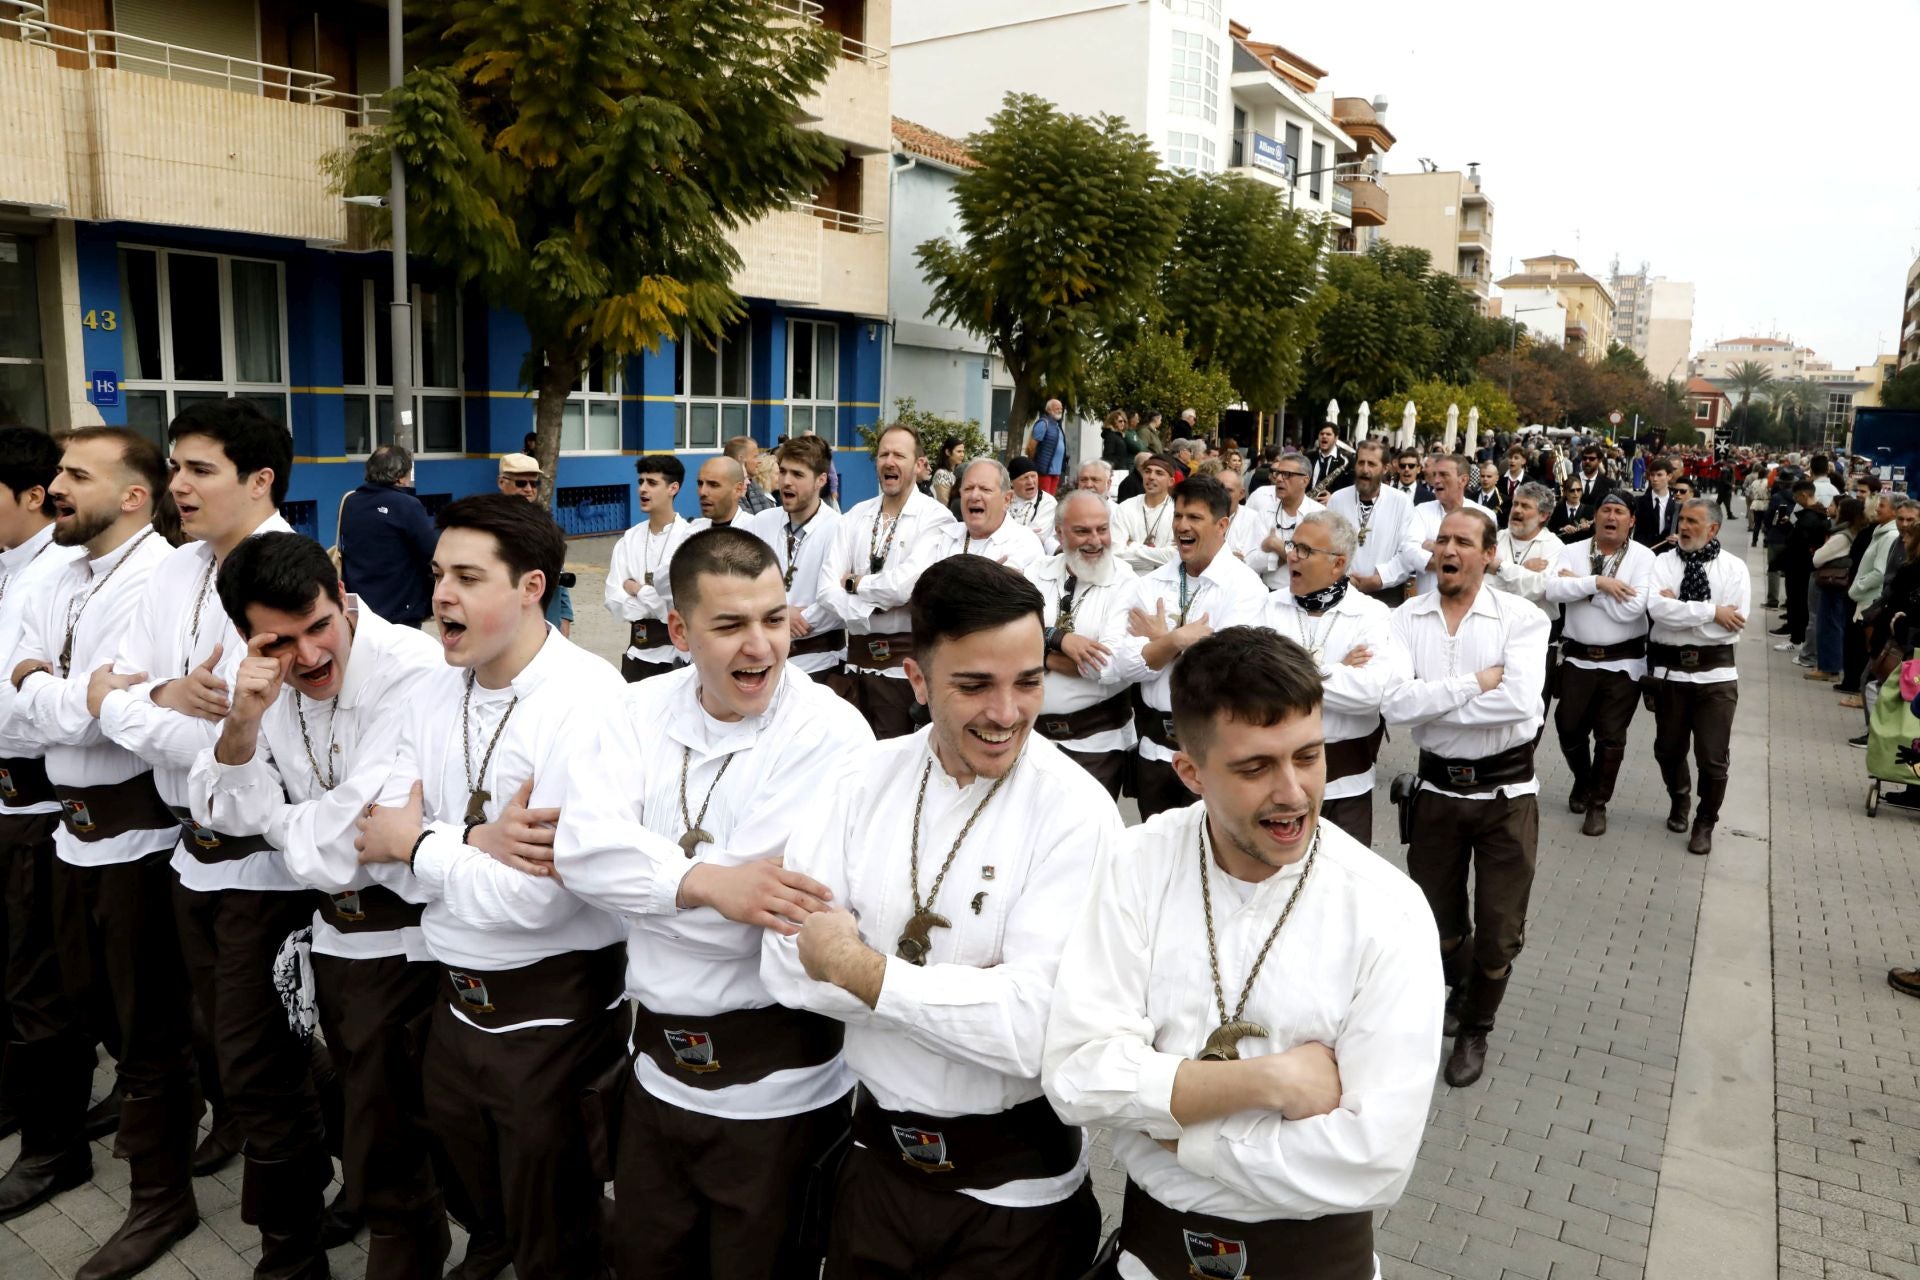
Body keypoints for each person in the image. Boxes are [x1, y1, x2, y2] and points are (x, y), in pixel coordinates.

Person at [760, 555, 1119, 1280]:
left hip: (1016, 1198)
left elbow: (1032, 1031)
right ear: (917, 681)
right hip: (874, 1171)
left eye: (1028, 681)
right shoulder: (860, 780)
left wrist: (860, 965)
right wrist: (969, 994)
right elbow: (783, 967)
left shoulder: (1077, 814)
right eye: (975, 684)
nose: (1008, 712)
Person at [1042, 627, 1440, 1280]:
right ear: (1190, 772)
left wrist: (1178, 1130)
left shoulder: (1385, 910)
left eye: (1308, 755)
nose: (1293, 792)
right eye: (1255, 767)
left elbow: (1372, 1159)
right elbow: (1077, 1075)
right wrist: (1269, 1083)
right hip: (1149, 1262)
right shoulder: (1137, 863)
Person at [546, 527, 873, 1280]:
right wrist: (707, 885)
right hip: (655, 1075)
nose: (760, 646)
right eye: (729, 626)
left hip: (779, 1094)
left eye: (773, 617)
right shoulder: (633, 712)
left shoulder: (832, 733)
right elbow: (581, 851)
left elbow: (783, 911)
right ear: (680, 631)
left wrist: (648, 888)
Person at [93, 401, 344, 1279]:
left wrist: (166, 709)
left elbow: (248, 744)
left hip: (266, 863)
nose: (177, 485)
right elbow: (113, 704)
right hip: (184, 849)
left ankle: (292, 1252)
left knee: (257, 1064)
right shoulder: (173, 571)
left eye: (198, 468)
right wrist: (165, 700)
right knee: (237, 1048)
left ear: (260, 479)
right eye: (175, 467)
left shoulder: (296, 575)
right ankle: (365, 1158)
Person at [354, 494, 629, 1280]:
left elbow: (541, 898)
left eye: (468, 577)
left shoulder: (588, 703)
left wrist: (422, 844)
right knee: (480, 1198)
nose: (441, 594)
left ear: (531, 586)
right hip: (450, 1002)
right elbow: (372, 837)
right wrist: (470, 841)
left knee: (559, 1228)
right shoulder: (436, 687)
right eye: (439, 573)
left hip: (552, 1019)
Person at [189, 532, 456, 1277]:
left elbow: (346, 843)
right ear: (246, 636)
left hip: (412, 938)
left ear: (342, 597)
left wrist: (279, 821)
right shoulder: (262, 682)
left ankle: (421, 1236)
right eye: (280, 642)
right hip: (332, 935)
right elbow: (214, 805)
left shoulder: (412, 670)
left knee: (399, 1123)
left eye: (319, 627)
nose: (307, 657)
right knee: (370, 1112)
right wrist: (243, 723)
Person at [9, 428, 191, 1280]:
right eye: (55, 474)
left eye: (75, 476)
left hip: (140, 837)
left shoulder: (155, 577)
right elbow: (25, 687)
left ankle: (161, 1198)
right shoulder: (67, 572)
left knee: (147, 1024)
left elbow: (105, 716)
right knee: (100, 1014)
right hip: (74, 834)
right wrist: (63, 688)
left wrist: (51, 686)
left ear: (132, 495)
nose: (55, 489)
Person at [1382, 507, 1550, 1089]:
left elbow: (1521, 704)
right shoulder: (1407, 618)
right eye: (1442, 539)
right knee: (1438, 923)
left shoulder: (1521, 618)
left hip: (1507, 795)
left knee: (1500, 930)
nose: (1447, 549)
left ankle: (1476, 1027)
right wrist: (1478, 683)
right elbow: (1396, 707)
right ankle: (1457, 985)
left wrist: (1435, 699)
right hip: (1436, 794)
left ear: (1488, 555)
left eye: (1462, 541)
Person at [0, 427, 87, 1222]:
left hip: (41, 805)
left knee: (40, 985)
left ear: (31, 497)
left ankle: (55, 1147)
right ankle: (24, 1103)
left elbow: (32, 713)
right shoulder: (11, 570)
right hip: (8, 801)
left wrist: (29, 693)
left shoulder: (58, 574)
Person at [1105, 476, 1269, 820]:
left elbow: (1225, 673)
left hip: (1213, 752)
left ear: (1222, 525)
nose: (1182, 526)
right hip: (1155, 750)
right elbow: (1123, 664)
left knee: (1208, 857)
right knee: (1157, 857)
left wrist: (1159, 641)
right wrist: (1178, 639)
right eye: (1178, 516)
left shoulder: (1246, 588)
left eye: (1194, 517)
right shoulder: (1152, 583)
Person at [1259, 511, 1407, 844]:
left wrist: (1286, 669)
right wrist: (1336, 668)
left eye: (1306, 550)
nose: (1292, 556)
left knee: (1342, 890)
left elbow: (1372, 691)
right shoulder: (1267, 606)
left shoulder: (1372, 615)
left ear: (1338, 564)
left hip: (1346, 785)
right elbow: (1248, 681)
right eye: (1293, 545)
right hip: (1274, 783)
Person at [816, 424, 958, 738]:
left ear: (919, 464)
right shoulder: (855, 516)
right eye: (883, 454)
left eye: (899, 455)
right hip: (853, 667)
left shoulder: (936, 518)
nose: (889, 461)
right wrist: (870, 611)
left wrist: (854, 585)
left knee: (894, 767)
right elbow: (826, 590)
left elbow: (906, 586)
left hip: (901, 672)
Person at [1543, 492, 1654, 837]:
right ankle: (1584, 779)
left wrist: (1586, 591)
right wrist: (1600, 584)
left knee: (1610, 737)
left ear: (1631, 520)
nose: (1611, 516)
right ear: (1595, 518)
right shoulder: (1573, 550)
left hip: (1624, 663)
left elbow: (1633, 609)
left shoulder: (1643, 557)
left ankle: (1597, 804)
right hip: (1578, 658)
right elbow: (1552, 589)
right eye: (1605, 510)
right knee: (1568, 728)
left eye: (1619, 511)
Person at [1647, 498, 1749, 855]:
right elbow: (1656, 611)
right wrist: (1711, 611)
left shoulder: (1734, 568)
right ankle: (1679, 799)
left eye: (1693, 521)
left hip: (1716, 676)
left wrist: (1680, 610)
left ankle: (1705, 821)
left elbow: (1732, 627)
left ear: (1713, 529)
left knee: (1712, 757)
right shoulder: (1662, 563)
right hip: (1671, 674)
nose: (1684, 527)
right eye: (1682, 519)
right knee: (1668, 749)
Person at [1025, 490, 1138, 797]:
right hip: (1032, 742)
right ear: (1059, 533)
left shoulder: (1125, 581)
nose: (1095, 540)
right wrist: (1059, 639)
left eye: (1102, 529)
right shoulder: (1036, 573)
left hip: (1096, 745)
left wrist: (1042, 657)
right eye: (1082, 531)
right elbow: (1006, 637)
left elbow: (1107, 665)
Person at [747, 434, 847, 681]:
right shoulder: (762, 523)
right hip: (766, 662)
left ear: (820, 480)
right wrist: (781, 613)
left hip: (820, 663)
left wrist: (781, 619)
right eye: (783, 472)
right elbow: (746, 585)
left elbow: (837, 601)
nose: (786, 482)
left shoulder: (839, 529)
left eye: (798, 475)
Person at [607, 455, 694, 683]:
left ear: (672, 488)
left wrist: (638, 590)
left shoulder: (689, 538)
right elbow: (614, 600)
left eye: (652, 483)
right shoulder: (629, 539)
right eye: (641, 482)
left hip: (681, 657)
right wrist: (659, 605)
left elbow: (683, 604)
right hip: (639, 654)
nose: (642, 489)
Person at [338, 444, 436, 627]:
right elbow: (431, 552)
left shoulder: (350, 502)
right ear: (400, 476)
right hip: (400, 611)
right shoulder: (407, 505)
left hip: (361, 610)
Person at [918, 458, 1045, 575]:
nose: (974, 496)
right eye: (968, 488)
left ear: (1007, 499)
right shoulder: (943, 538)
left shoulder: (1025, 544)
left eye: (985, 489)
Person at [1329, 441, 1418, 607]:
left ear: (1385, 468)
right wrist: (1344, 577)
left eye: (1371, 464)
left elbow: (1407, 552)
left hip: (1386, 594)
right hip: (1342, 590)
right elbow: (1328, 544)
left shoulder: (1401, 502)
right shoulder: (1337, 499)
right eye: (1361, 462)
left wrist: (1380, 579)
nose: (1365, 469)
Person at [498, 453, 572, 637]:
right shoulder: (491, 528)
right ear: (502, 483)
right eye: (521, 483)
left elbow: (559, 573)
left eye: (534, 483)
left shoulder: (546, 525)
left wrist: (565, 616)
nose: (529, 489)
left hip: (548, 625)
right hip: (509, 628)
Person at [1231, 453, 1321, 593]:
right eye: (1278, 473)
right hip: (1271, 594)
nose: (1278, 479)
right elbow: (1250, 561)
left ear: (1305, 480)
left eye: (1287, 474)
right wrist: (1281, 557)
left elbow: (1316, 564)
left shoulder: (1319, 514)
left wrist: (1276, 545)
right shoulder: (1265, 513)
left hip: (1308, 597)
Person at [1392, 454, 1474, 598]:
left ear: (1463, 480)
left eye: (1443, 475)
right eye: (1435, 474)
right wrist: (1460, 561)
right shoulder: (1421, 511)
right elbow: (1409, 552)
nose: (1436, 480)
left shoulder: (1482, 515)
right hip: (1427, 603)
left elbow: (1481, 559)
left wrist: (1434, 546)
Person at [1807, 497, 1865, 681]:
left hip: (1833, 583)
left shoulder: (1841, 535)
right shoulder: (1858, 532)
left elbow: (1817, 559)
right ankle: (1831, 665)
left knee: (1828, 625)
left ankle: (1829, 667)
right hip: (1844, 584)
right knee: (1836, 624)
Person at [1773, 480, 1828, 656]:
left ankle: (1797, 639)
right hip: (1806, 566)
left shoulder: (1809, 518)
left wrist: (1790, 531)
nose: (1796, 500)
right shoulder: (1819, 513)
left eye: (1796, 497)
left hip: (1799, 566)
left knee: (1797, 603)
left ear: (1804, 495)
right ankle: (1799, 638)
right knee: (1802, 603)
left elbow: (1799, 542)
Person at [1112, 454, 1180, 577]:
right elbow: (1115, 554)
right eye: (1147, 471)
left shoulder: (1178, 511)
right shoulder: (1126, 507)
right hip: (1128, 581)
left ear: (1171, 481)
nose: (1151, 477)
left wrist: (1133, 545)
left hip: (1165, 581)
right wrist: (1156, 560)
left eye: (1159, 473)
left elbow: (1175, 556)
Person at [1007, 456, 1058, 549]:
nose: (1031, 482)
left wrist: (1006, 533)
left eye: (1033, 476)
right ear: (1012, 482)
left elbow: (1038, 538)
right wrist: (1027, 533)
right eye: (1024, 478)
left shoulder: (1047, 503)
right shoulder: (1003, 500)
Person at [1633, 459, 1680, 550]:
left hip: (1668, 554)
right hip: (1643, 553)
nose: (1654, 479)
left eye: (1659, 475)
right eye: (1652, 475)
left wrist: (1679, 538)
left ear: (1669, 476)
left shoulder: (1677, 505)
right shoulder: (1639, 502)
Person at [724, 435, 777, 515]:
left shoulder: (753, 485)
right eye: (755, 456)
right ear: (740, 459)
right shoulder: (727, 494)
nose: (759, 461)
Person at [693, 456, 748, 530]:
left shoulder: (755, 530)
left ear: (738, 490)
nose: (702, 492)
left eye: (713, 485)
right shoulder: (692, 531)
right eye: (700, 484)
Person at [1027, 398, 1068, 495]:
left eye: (1061, 408)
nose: (1060, 410)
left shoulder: (1057, 425)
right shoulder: (1043, 423)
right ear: (1049, 410)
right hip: (1044, 471)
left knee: (1051, 500)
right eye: (1057, 408)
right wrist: (1034, 464)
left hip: (1055, 471)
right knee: (1044, 499)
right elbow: (1031, 447)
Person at [1306, 424, 1352, 497]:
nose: (1324, 436)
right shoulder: (1307, 457)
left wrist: (1332, 497)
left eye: (1328, 434)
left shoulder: (1346, 461)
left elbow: (1349, 489)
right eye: (1321, 434)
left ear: (1336, 438)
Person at [1549, 476, 1594, 542]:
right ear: (1565, 492)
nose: (1576, 493)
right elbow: (1550, 531)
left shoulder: (1590, 510)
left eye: (1578, 490)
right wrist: (1562, 529)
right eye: (1572, 490)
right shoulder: (1556, 510)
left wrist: (1589, 529)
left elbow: (1596, 533)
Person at [931, 437, 966, 510]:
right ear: (948, 452)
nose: (962, 455)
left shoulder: (957, 473)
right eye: (959, 451)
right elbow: (944, 501)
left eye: (963, 451)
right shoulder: (941, 474)